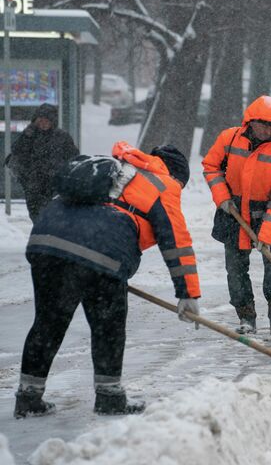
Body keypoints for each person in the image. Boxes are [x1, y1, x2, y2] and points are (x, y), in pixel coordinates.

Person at [14, 142, 201, 418]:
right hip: (102, 254)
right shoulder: (164, 184)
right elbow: (176, 243)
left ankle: (28, 397)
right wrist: (188, 294)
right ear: (176, 175)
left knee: (48, 323)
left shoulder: (109, 170)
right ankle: (109, 397)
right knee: (107, 327)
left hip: (48, 243)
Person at [202, 96, 271, 336]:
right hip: (232, 213)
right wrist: (222, 196)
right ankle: (246, 316)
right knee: (235, 270)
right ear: (250, 121)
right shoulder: (229, 138)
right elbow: (211, 166)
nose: (267, 130)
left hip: (268, 216)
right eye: (262, 124)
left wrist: (265, 233)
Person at [5, 104, 79, 221]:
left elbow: (74, 157)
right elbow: (17, 151)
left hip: (55, 185)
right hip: (33, 184)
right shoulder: (29, 135)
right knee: (36, 215)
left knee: (53, 216)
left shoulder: (62, 137)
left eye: (47, 120)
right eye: (40, 120)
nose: (43, 123)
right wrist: (28, 134)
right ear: (35, 121)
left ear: (52, 121)